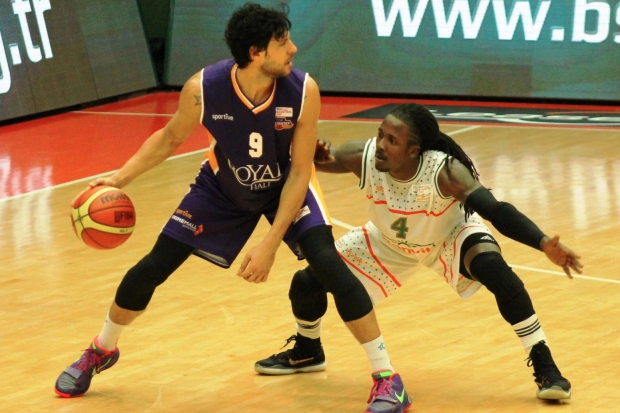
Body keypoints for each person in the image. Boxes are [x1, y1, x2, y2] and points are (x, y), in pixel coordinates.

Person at [54, 4, 409, 412]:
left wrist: (270, 243)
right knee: (153, 266)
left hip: (284, 185)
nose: (293, 49)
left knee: (329, 265)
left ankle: (387, 378)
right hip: (224, 187)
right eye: (282, 42)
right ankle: (102, 349)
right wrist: (118, 179)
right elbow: (169, 138)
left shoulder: (303, 90)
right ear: (256, 52)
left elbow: (300, 171)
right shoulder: (202, 89)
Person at [254, 103, 583, 404]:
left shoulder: (445, 172)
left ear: (414, 150)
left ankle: (545, 365)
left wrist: (542, 242)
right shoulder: (363, 156)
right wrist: (311, 154)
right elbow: (310, 164)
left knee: (493, 268)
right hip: (388, 241)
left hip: (448, 235)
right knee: (306, 284)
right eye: (380, 134)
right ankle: (309, 350)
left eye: (392, 140)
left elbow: (495, 210)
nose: (380, 144)